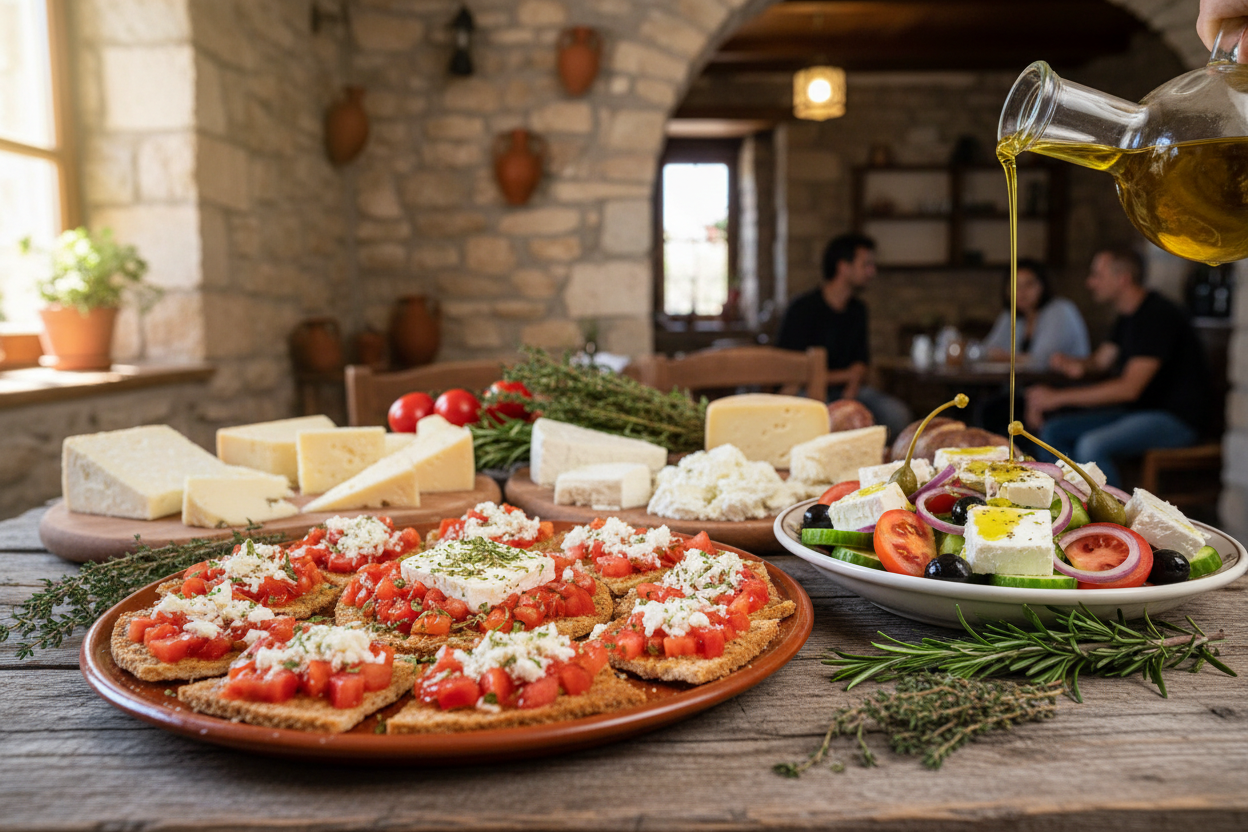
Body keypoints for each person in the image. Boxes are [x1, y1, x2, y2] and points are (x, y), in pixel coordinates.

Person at [1024, 248, 1211, 488]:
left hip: (1176, 419)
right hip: (1137, 412)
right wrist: (1073, 363)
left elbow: (1128, 389)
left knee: (1092, 445)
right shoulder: (1127, 316)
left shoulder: (1158, 315)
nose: (1089, 283)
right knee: (1053, 432)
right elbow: (1100, 361)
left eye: (1097, 275)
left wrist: (1057, 398)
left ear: (1122, 279)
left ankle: (1116, 519)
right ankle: (1067, 502)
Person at [776, 233, 912, 438]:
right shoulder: (802, 308)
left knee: (897, 415)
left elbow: (861, 360)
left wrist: (852, 386)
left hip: (850, 390)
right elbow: (792, 370)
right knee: (828, 424)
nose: (872, 271)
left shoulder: (858, 310)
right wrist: (849, 376)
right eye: (866, 264)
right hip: (806, 392)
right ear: (843, 266)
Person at [982, 258, 1090, 370]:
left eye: (1028, 284)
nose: (1021, 291)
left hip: (1060, 384)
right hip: (1024, 383)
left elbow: (1042, 361)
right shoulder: (1010, 315)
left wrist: (1005, 357)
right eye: (1015, 284)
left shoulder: (1060, 311)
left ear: (1042, 286)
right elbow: (987, 351)